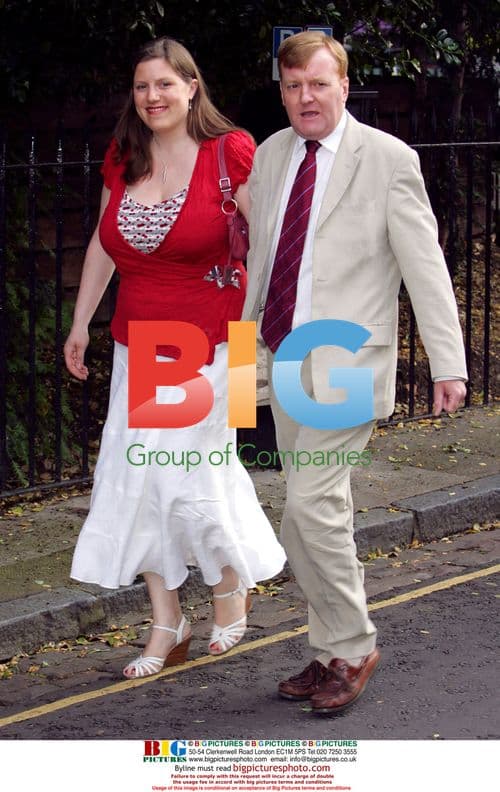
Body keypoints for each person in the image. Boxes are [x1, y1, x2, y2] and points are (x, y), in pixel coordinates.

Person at [242, 31, 467, 714]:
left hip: (346, 362)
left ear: (343, 85)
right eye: (292, 86)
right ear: (281, 91)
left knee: (311, 505)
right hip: (277, 354)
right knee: (304, 518)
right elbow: (259, 262)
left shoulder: (389, 159)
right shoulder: (273, 154)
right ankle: (329, 647)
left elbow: (423, 265)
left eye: (317, 84)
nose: (304, 98)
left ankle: (356, 645)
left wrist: (446, 362)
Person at [64, 36, 286, 679]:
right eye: (141, 86)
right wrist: (82, 323)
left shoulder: (230, 151)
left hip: (220, 344)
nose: (152, 97)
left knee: (191, 472)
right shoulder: (124, 154)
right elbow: (104, 246)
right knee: (138, 479)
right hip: (141, 347)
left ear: (192, 86)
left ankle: (226, 585)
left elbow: (267, 246)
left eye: (165, 84)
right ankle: (169, 618)